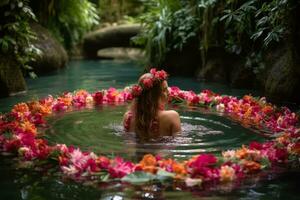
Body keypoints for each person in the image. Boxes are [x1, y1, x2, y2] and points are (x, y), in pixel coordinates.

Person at [123, 68, 181, 140]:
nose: (169, 92)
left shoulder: (128, 117)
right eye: (165, 90)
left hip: (137, 151)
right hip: (162, 151)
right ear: (154, 96)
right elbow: (178, 141)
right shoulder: (172, 116)